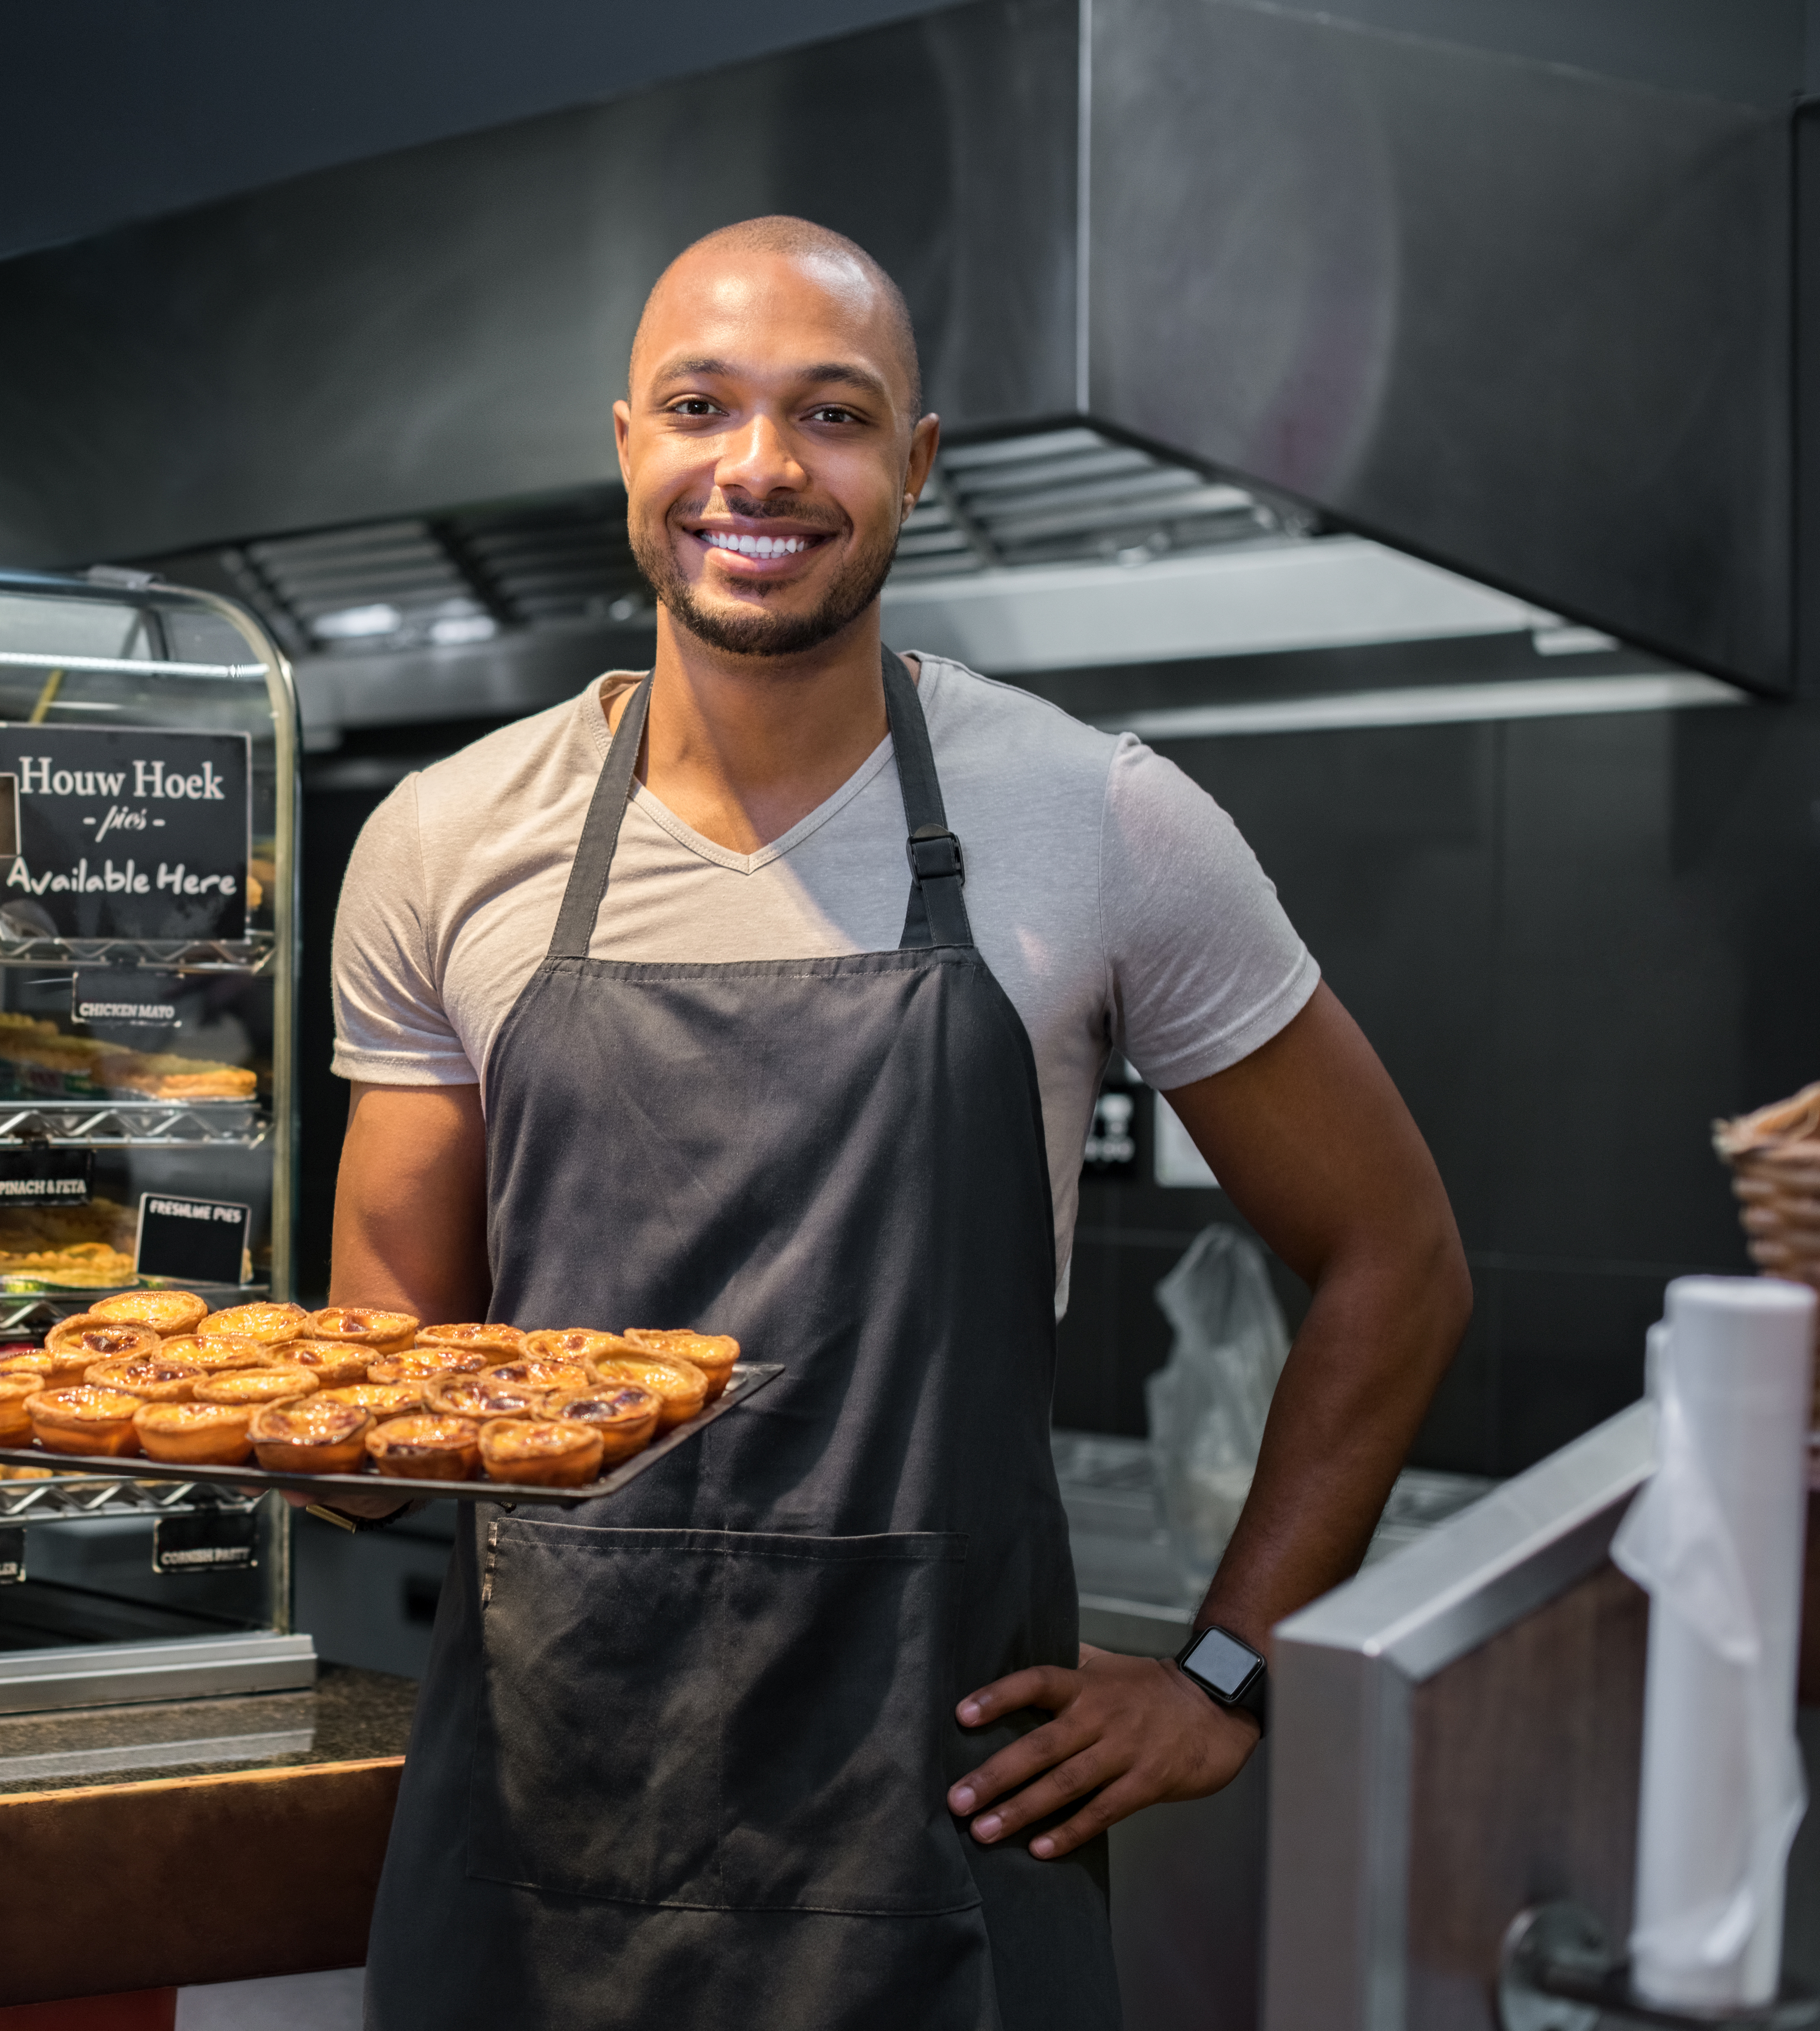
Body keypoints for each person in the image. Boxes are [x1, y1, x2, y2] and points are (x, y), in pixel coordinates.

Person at [324, 217, 1470, 2027]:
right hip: (534, 1842)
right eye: (701, 405)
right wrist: (254, 1438)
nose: (759, 469)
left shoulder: (1102, 825)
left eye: (832, 415)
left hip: (929, 1854)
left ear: (917, 466)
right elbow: (382, 1346)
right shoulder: (444, 843)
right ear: (626, 444)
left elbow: (1398, 1260)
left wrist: (1224, 1673)